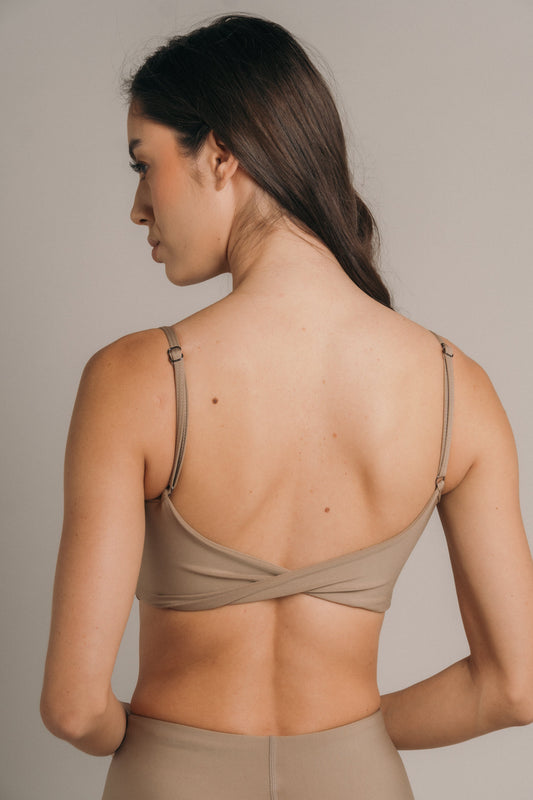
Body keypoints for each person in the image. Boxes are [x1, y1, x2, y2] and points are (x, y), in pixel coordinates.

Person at [40, 12, 533, 799]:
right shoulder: (455, 389)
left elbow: (72, 708)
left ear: (220, 154)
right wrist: (346, 737)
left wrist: (150, 740)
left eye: (144, 164)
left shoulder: (134, 380)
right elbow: (513, 687)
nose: (138, 205)